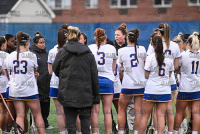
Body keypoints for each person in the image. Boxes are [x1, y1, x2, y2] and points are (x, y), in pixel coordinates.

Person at [53, 26, 100, 134]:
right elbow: (94, 76)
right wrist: (96, 97)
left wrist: (65, 76)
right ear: (79, 37)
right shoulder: (88, 53)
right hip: (85, 93)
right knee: (85, 125)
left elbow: (55, 69)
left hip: (68, 92)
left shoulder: (62, 52)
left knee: (71, 125)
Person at [4, 31, 45, 134]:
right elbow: (34, 70)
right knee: (38, 114)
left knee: (20, 115)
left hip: (15, 90)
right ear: (27, 43)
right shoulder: (31, 55)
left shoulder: (9, 56)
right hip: (30, 90)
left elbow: (7, 73)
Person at [147, 23, 181, 134]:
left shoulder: (155, 43)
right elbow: (176, 66)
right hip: (169, 80)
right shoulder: (175, 45)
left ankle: (158, 131)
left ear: (159, 32)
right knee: (169, 109)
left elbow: (149, 62)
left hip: (156, 80)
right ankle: (171, 132)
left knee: (157, 110)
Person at [139, 36, 173, 134]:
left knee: (145, 116)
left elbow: (146, 76)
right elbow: (170, 75)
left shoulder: (150, 58)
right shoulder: (169, 58)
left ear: (153, 46)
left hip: (151, 90)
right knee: (161, 116)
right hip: (165, 91)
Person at [117, 29, 146, 134]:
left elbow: (119, 67)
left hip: (127, 84)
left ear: (127, 37)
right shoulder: (142, 49)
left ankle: (121, 132)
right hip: (141, 84)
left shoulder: (121, 51)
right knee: (138, 111)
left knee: (121, 109)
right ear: (137, 38)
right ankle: (137, 132)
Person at [89, 28, 117, 134]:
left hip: (94, 82)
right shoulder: (112, 48)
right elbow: (113, 68)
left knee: (94, 112)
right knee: (107, 112)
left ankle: (95, 132)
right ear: (105, 37)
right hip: (108, 81)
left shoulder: (90, 48)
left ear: (95, 37)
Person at [173, 32, 200, 134]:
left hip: (185, 88)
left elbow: (176, 68)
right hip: (197, 88)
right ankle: (194, 132)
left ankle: (175, 131)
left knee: (179, 112)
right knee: (196, 112)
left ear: (188, 43)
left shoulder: (183, 55)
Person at [48, 26, 69, 134]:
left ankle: (62, 132)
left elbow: (50, 72)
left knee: (59, 112)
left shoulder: (52, 51)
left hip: (55, 84)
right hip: (69, 84)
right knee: (70, 111)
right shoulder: (71, 50)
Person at [29, 32, 52, 129]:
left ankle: (45, 123)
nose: (43, 44)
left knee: (46, 106)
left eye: (44, 42)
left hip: (47, 83)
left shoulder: (47, 53)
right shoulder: (32, 54)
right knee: (36, 106)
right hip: (37, 83)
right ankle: (33, 124)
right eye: (40, 42)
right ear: (35, 44)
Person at [0, 36, 8, 133]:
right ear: (2, 45)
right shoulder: (6, 55)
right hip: (3, 86)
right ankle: (3, 130)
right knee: (3, 110)